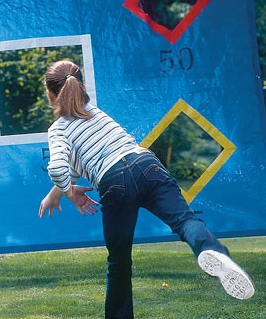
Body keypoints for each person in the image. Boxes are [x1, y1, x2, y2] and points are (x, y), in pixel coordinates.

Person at [38, 60, 255, 319]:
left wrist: (69, 191)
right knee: (185, 221)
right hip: (146, 163)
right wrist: (57, 192)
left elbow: (59, 168)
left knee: (118, 263)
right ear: (81, 86)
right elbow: (83, 156)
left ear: (50, 95)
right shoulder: (96, 113)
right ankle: (213, 251)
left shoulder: (58, 130)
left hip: (114, 182)